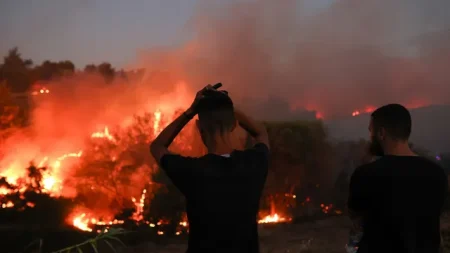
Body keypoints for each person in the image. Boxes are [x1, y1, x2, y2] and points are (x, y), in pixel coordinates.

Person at [150, 84, 270, 253]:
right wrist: (227, 107)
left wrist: (190, 111)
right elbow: (261, 133)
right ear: (234, 124)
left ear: (199, 128)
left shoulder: (193, 171)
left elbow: (158, 146)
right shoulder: (254, 163)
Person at [347, 103, 448, 253]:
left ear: (381, 133)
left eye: (371, 131)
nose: (370, 137)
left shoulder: (365, 175)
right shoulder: (437, 173)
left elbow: (356, 222)